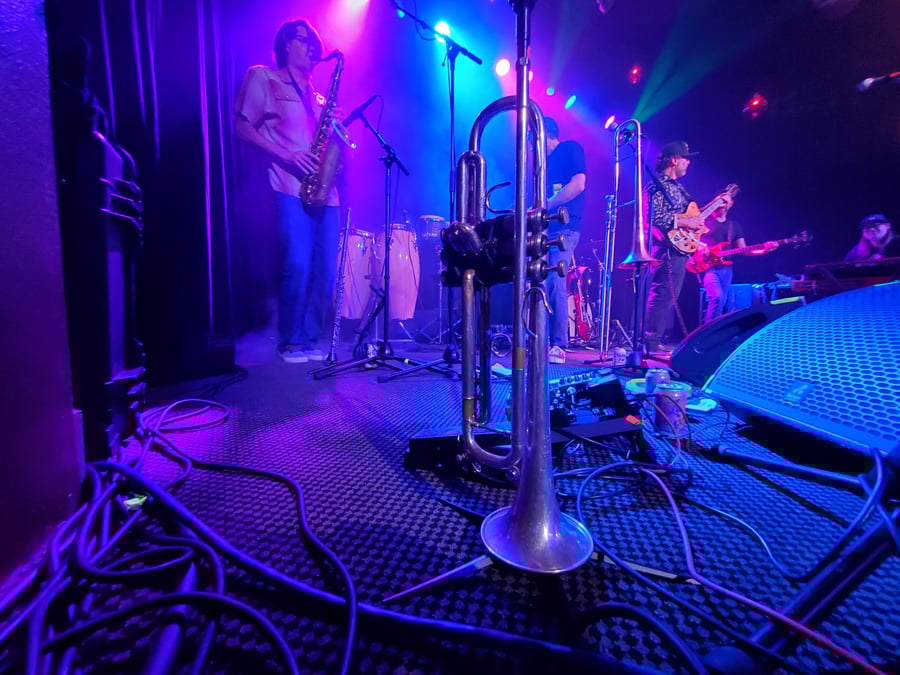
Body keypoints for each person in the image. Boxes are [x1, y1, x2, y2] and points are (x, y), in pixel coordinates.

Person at [234, 19, 340, 363]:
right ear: (285, 45)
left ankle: (310, 339)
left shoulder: (319, 97)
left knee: (326, 270)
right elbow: (240, 126)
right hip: (286, 184)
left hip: (324, 191)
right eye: (303, 40)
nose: (311, 48)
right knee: (297, 262)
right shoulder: (264, 77)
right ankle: (289, 341)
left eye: (314, 43)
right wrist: (286, 154)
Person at [544, 116, 587, 364]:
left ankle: (559, 344)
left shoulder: (570, 148)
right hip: (544, 229)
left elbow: (578, 184)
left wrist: (544, 206)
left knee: (554, 280)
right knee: (537, 280)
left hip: (565, 228)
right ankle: (540, 339)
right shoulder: (542, 165)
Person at [699, 195, 778, 323]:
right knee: (717, 298)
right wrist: (700, 247)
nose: (722, 204)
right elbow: (691, 240)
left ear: (731, 204)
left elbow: (744, 250)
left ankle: (711, 332)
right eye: (720, 201)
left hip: (726, 269)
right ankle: (706, 336)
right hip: (707, 267)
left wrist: (763, 250)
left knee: (721, 302)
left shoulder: (733, 226)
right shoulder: (704, 222)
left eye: (726, 202)